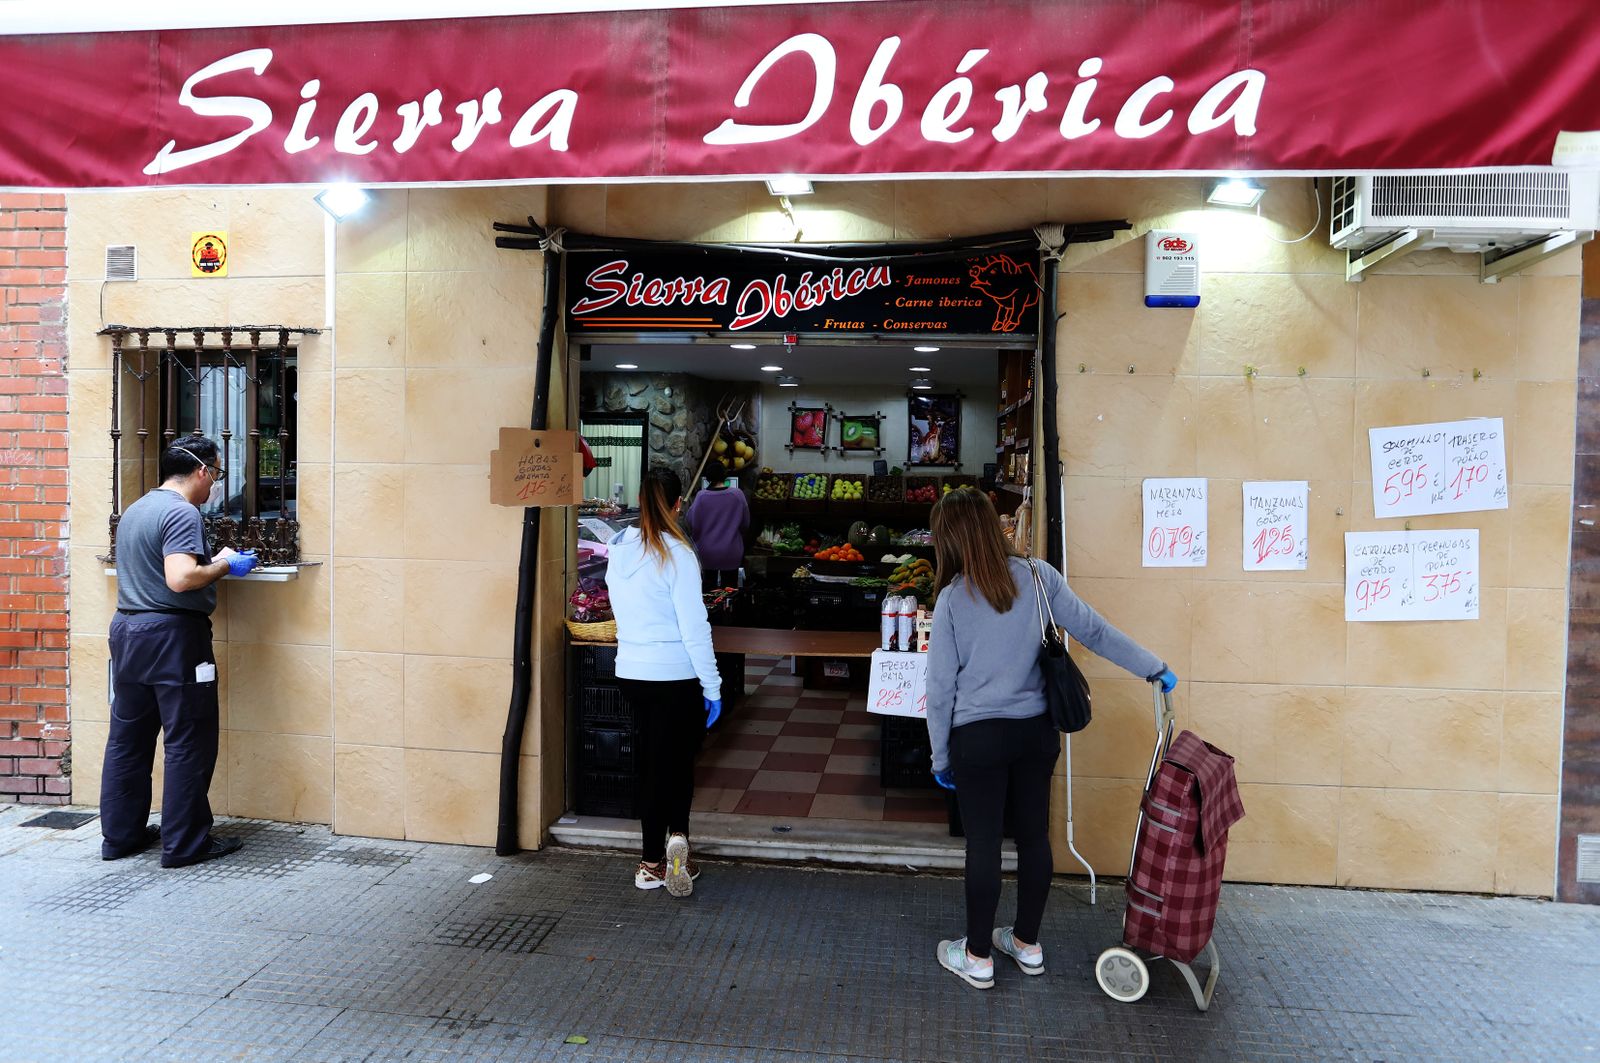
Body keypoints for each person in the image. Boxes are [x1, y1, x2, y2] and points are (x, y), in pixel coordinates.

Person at [922, 489, 1176, 990]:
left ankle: (977, 957)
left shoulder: (952, 599)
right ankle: (1027, 944)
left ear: (948, 539)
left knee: (983, 845)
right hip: (1035, 735)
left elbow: (940, 690)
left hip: (977, 740)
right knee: (1034, 837)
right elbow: (1095, 632)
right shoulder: (1040, 578)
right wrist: (1155, 667)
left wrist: (940, 757)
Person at [101, 435, 259, 867]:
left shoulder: (136, 509)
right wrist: (225, 564)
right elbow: (181, 578)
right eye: (217, 474)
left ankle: (121, 837)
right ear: (202, 471)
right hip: (173, 638)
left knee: (128, 739)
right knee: (189, 738)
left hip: (127, 631)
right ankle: (186, 844)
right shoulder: (181, 511)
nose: (216, 485)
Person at [604, 466, 722, 897]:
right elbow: (695, 629)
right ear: (678, 504)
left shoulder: (619, 549)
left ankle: (650, 860)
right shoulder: (678, 555)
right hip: (675, 675)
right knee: (677, 765)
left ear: (640, 500)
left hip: (632, 673)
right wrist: (713, 687)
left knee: (651, 763)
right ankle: (674, 851)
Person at [684, 460, 750, 590]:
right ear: (725, 475)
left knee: (708, 591)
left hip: (706, 553)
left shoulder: (701, 496)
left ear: (708, 478)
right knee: (730, 591)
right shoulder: (737, 495)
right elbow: (745, 524)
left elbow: (691, 523)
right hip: (731, 552)